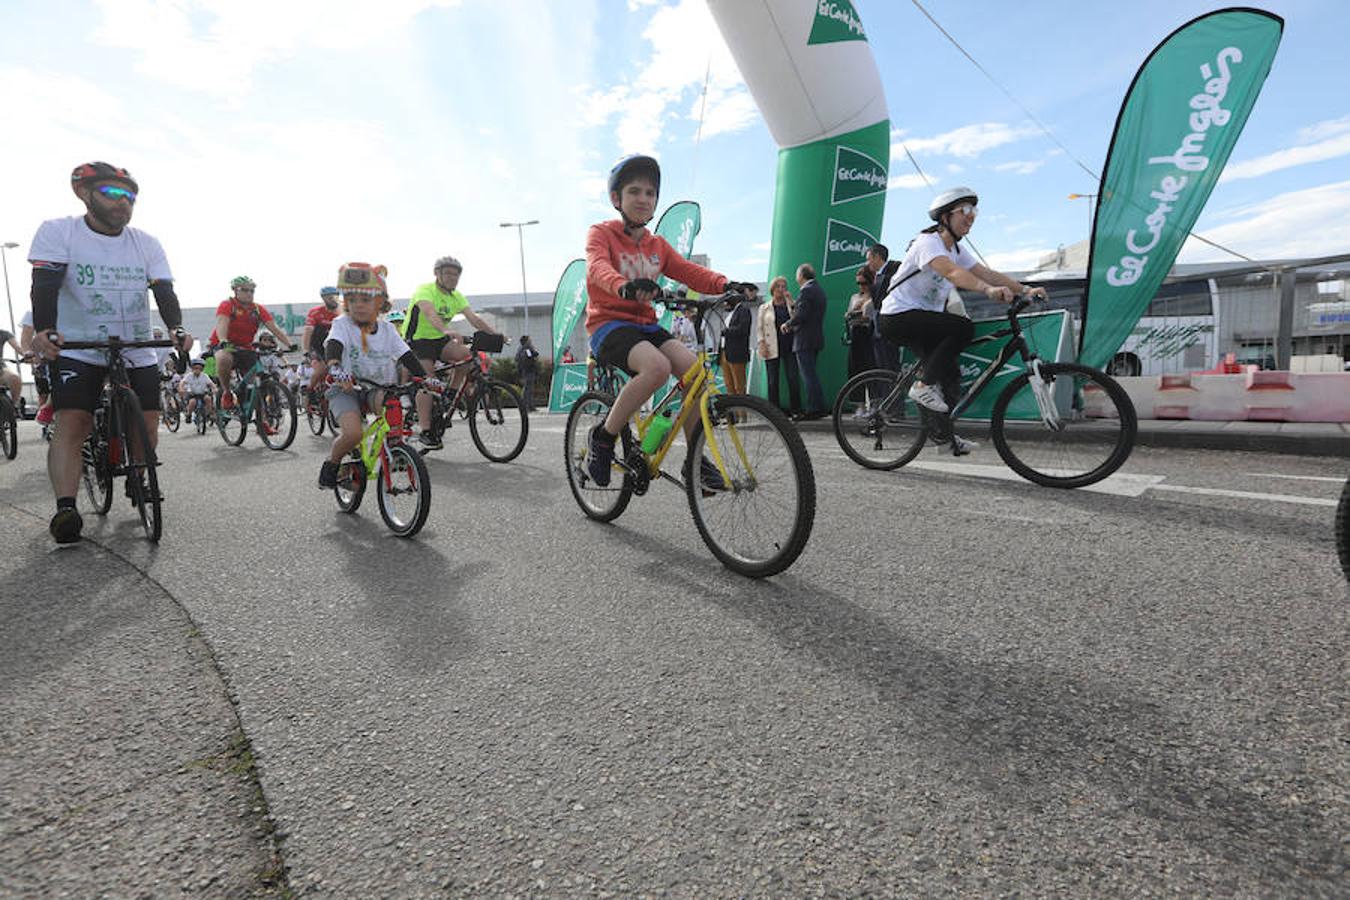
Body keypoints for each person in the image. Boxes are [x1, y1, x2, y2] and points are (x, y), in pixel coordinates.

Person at [29, 161, 193, 543]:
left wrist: (176, 329)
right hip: (78, 344)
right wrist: (45, 332)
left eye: (130, 196)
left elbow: (164, 292)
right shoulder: (59, 232)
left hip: (134, 341)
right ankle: (66, 508)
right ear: (85, 193)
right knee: (74, 421)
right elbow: (45, 285)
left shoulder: (145, 242)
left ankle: (138, 475)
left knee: (149, 420)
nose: (124, 202)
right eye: (113, 193)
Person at [582, 153, 754, 487]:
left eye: (650, 193)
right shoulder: (601, 233)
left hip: (644, 326)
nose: (644, 199)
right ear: (616, 198)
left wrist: (724, 284)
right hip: (608, 325)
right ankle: (602, 438)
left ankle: (695, 461)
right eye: (634, 191)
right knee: (657, 368)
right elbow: (597, 267)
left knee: (696, 375)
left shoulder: (657, 245)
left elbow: (687, 270)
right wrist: (624, 286)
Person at [878, 186, 1046, 454]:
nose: (971, 217)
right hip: (897, 316)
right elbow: (953, 273)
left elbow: (986, 272)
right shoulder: (928, 242)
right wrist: (987, 291)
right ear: (945, 217)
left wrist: (1024, 289)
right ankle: (922, 385)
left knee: (950, 374)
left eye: (974, 211)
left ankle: (944, 439)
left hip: (922, 319)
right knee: (962, 328)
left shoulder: (957, 249)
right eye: (965, 210)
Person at [317, 263, 431, 489]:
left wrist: (426, 378)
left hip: (377, 388)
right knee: (353, 434)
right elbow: (333, 345)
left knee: (393, 409)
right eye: (353, 299)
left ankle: (395, 450)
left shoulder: (388, 330)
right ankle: (331, 466)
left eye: (366, 299)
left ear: (380, 303)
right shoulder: (342, 324)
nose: (359, 305)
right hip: (345, 388)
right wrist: (335, 367)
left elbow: (406, 355)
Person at [401, 255, 502, 450]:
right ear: (437, 274)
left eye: (455, 275)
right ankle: (425, 430)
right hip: (418, 340)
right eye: (447, 273)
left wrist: (497, 335)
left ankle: (450, 393)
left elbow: (475, 319)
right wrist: (447, 330)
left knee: (467, 357)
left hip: (439, 339)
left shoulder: (456, 296)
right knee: (427, 380)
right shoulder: (425, 290)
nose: (452, 277)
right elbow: (430, 313)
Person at [209, 275, 294, 408]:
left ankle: (262, 420)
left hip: (245, 347)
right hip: (226, 345)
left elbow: (274, 328)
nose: (249, 293)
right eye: (244, 290)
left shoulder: (258, 309)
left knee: (255, 384)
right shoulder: (228, 305)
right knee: (223, 357)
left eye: (251, 291)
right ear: (235, 291)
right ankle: (227, 393)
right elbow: (222, 324)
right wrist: (223, 340)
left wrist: (289, 344)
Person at [782, 263, 828, 419]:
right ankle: (818, 406)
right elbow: (805, 311)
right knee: (811, 374)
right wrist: (792, 302)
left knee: (808, 376)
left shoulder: (806, 291)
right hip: (815, 338)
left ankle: (814, 408)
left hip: (804, 340)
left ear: (801, 275)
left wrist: (787, 324)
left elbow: (801, 315)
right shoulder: (818, 290)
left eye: (797, 275)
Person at [756, 276, 801, 416]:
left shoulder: (790, 304)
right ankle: (774, 413)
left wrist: (791, 301)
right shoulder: (764, 307)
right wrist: (761, 344)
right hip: (771, 346)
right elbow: (759, 328)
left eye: (784, 287)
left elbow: (798, 319)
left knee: (793, 378)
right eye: (778, 287)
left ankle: (796, 410)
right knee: (772, 381)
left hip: (789, 346)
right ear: (772, 289)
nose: (781, 289)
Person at [865, 244, 901, 372]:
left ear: (877, 257)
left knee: (888, 367)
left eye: (868, 258)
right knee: (880, 368)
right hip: (877, 329)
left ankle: (891, 392)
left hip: (888, 329)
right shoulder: (877, 276)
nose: (867, 263)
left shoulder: (894, 271)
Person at [303, 286, 341, 397]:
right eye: (329, 298)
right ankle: (309, 391)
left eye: (335, 297)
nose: (333, 300)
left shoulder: (343, 312)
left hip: (334, 346)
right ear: (323, 299)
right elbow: (308, 331)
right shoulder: (315, 312)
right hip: (317, 346)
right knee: (321, 369)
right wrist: (306, 350)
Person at [18, 310, 54, 425]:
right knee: (44, 393)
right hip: (44, 359)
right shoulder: (32, 313)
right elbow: (25, 339)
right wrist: (28, 353)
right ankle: (46, 420)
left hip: (77, 352)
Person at [720, 283, 756, 396]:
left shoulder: (744, 310)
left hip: (736, 354)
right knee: (729, 385)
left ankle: (742, 413)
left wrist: (726, 331)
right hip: (725, 352)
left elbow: (743, 329)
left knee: (739, 387)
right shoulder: (731, 312)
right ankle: (733, 413)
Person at [845, 266, 876, 379]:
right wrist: (854, 312)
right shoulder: (855, 297)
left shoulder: (876, 297)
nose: (861, 286)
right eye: (858, 283)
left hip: (870, 336)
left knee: (870, 370)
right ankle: (855, 396)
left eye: (864, 283)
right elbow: (848, 316)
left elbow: (873, 317)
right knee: (854, 371)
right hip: (856, 335)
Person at [179, 358, 214, 425]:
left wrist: (214, 388)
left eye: (199, 368)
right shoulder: (189, 376)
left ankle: (209, 414)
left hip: (203, 393)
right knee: (192, 402)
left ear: (202, 369)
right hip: (193, 394)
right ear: (192, 369)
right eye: (195, 368)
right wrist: (181, 388)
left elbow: (211, 383)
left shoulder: (204, 376)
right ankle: (189, 415)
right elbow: (182, 382)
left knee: (208, 399)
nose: (197, 370)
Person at [0, 326, 24, 412]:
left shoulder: (3, 333)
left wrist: (27, 355)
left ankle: (13, 407)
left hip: (1, 368)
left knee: (15, 378)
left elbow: (18, 347)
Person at [514, 335, 540, 410]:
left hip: (525, 371)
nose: (531, 341)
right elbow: (531, 357)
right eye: (529, 340)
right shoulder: (527, 349)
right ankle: (526, 406)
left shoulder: (521, 349)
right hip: (528, 371)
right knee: (528, 389)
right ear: (526, 341)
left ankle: (528, 405)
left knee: (528, 389)